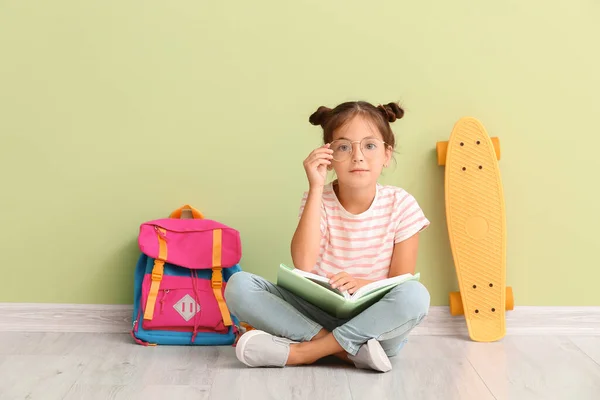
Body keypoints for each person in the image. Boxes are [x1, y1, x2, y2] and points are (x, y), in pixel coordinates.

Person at [224, 100, 431, 372]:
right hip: (316, 316)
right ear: (328, 156)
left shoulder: (401, 204)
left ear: (386, 154)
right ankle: (344, 351)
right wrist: (315, 186)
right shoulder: (317, 199)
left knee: (416, 295)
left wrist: (361, 283)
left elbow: (401, 280)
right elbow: (303, 263)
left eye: (369, 145)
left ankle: (304, 352)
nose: (357, 156)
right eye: (344, 147)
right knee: (238, 285)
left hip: (373, 322)